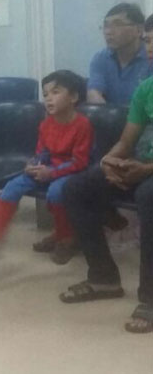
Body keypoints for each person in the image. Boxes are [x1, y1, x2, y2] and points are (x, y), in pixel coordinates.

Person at [59, 75, 153, 333]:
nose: (150, 53)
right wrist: (107, 163)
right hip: (142, 164)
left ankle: (150, 298)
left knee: (148, 196)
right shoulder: (147, 88)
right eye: (148, 53)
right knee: (77, 188)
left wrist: (146, 170)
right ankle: (103, 278)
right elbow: (126, 142)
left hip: (147, 170)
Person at [0, 70, 93, 264]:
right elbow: (42, 152)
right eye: (45, 94)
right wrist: (33, 164)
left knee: (56, 192)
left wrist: (52, 172)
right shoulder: (46, 124)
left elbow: (79, 162)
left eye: (55, 92)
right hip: (47, 170)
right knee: (12, 187)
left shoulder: (82, 125)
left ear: (73, 97)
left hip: (71, 172)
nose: (48, 98)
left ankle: (66, 239)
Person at [87, 3, 151, 105]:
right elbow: (94, 93)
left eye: (117, 25)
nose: (108, 32)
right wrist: (108, 113)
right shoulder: (101, 58)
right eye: (106, 26)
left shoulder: (150, 57)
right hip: (110, 114)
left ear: (139, 30)